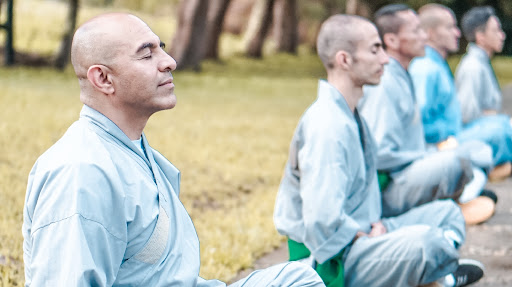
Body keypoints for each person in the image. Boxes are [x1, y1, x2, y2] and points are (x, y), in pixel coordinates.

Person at [22, 13, 324, 287]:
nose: (169, 62)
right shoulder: (82, 172)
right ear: (103, 78)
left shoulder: (129, 149)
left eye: (161, 48)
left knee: (298, 279)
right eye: (146, 54)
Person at [274, 14, 484, 287]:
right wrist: (364, 235)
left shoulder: (350, 112)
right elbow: (321, 221)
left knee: (447, 214)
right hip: (333, 257)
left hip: (368, 228)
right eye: (375, 49)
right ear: (344, 60)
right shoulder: (327, 125)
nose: (385, 59)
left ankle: (437, 275)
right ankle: (440, 276)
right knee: (426, 244)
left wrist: (375, 227)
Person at [359, 4, 496, 223]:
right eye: (416, 31)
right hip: (388, 189)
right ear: (392, 41)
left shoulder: (403, 75)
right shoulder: (386, 84)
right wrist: (427, 155)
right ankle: (450, 204)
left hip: (410, 169)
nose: (424, 37)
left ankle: (455, 200)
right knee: (456, 161)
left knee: (474, 151)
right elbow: (380, 155)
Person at [409, 3, 512, 180]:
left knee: (502, 125)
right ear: (430, 33)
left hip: (455, 135)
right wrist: (447, 139)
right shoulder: (426, 69)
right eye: (450, 27)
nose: (458, 33)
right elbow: (417, 126)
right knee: (501, 129)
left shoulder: (437, 65)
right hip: (443, 145)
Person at [455, 6, 512, 179]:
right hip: (476, 136)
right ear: (481, 37)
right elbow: (466, 116)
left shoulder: (482, 63)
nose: (502, 35)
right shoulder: (472, 67)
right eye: (496, 30)